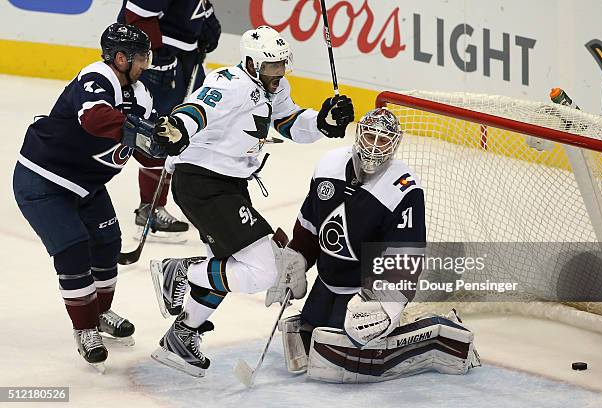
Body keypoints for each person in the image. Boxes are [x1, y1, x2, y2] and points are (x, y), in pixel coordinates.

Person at [148, 25, 355, 377]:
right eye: (270, 67)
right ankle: (179, 271)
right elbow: (199, 109)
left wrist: (322, 122)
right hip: (204, 184)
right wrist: (179, 128)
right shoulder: (230, 83)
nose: (278, 74)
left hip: (227, 186)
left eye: (281, 66)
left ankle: (182, 336)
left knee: (225, 266)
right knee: (263, 269)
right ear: (250, 62)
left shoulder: (273, 86)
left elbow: (288, 122)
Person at [270, 108, 481, 382]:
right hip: (330, 279)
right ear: (359, 135)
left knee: (346, 356)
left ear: (394, 144)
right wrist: (297, 257)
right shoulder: (328, 164)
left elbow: (406, 253)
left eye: (382, 140)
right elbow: (310, 222)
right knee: (307, 338)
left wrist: (387, 301)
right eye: (370, 136)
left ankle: (437, 335)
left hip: (366, 289)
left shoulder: (403, 187)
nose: (373, 146)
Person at [12, 23, 163, 370]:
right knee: (74, 248)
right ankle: (85, 329)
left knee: (108, 242)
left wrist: (173, 145)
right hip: (43, 180)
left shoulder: (141, 94)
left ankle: (100, 311)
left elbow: (147, 150)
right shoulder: (97, 76)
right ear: (120, 58)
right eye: (140, 57)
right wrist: (145, 131)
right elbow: (95, 119)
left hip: (86, 184)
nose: (145, 64)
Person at [118, 0, 222, 241]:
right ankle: (149, 209)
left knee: (199, 128)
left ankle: (198, 203)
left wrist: (207, 23)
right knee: (159, 133)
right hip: (159, 62)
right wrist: (156, 57)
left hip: (184, 57)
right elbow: (138, 16)